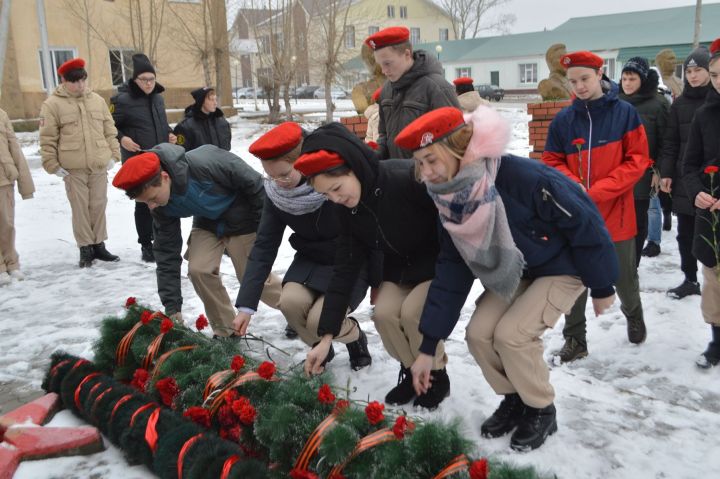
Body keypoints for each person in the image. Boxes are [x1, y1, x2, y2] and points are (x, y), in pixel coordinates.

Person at [394, 105, 617, 451]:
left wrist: (602, 286)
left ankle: (541, 408)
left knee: (512, 336)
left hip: (561, 266)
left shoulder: (522, 178)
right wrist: (426, 348)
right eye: (419, 164)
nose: (426, 173)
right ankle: (515, 398)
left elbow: (585, 221)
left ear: (458, 149)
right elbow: (452, 269)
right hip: (517, 271)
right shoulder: (450, 199)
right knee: (479, 335)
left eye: (432, 160)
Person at [294, 122, 450, 409]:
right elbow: (345, 268)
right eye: (327, 195)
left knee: (414, 313)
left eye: (337, 188)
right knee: (385, 316)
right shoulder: (347, 210)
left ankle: (435, 374)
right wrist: (326, 336)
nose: (336, 199)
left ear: (353, 167)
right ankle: (411, 370)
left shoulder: (404, 179)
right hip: (399, 270)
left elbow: (449, 225)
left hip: (438, 263)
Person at [232, 122, 371, 369]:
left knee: (321, 319)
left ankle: (355, 337)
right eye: (271, 176)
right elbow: (264, 245)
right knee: (290, 303)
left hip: (349, 260)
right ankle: (320, 349)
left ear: (303, 160)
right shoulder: (277, 195)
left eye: (285, 174)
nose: (279, 182)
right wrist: (246, 306)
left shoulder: (332, 181)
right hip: (311, 260)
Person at [542, 51, 650, 362]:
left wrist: (599, 191)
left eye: (585, 79)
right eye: (573, 81)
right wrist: (573, 187)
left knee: (623, 276)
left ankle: (634, 313)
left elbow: (637, 159)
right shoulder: (564, 119)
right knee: (574, 280)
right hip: (575, 216)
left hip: (615, 214)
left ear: (600, 74)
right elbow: (551, 160)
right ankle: (575, 338)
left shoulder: (625, 114)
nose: (579, 86)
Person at [111, 143, 282, 336]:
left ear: (165, 178)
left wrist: (265, 235)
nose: (151, 207)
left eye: (153, 198)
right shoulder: (159, 206)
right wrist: (172, 308)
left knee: (253, 277)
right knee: (199, 269)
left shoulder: (207, 163)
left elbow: (259, 188)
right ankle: (226, 330)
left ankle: (295, 311)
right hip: (207, 222)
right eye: (146, 203)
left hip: (244, 218)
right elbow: (166, 251)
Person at [39, 58, 121, 268]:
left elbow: (109, 129)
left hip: (99, 163)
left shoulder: (97, 100)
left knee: (98, 204)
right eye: (74, 82)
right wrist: (52, 165)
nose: (80, 85)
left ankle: (99, 244)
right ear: (64, 81)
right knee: (80, 207)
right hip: (72, 167)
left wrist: (113, 154)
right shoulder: (52, 105)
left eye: (82, 80)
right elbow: (47, 138)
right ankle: (85, 247)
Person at [111, 53, 176, 263]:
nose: (148, 84)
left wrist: (170, 133)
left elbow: (161, 123)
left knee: (162, 198)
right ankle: (146, 244)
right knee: (143, 202)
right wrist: (123, 139)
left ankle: (162, 240)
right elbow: (110, 126)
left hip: (159, 156)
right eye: (144, 80)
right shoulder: (122, 100)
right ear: (135, 80)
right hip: (137, 158)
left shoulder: (158, 98)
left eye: (151, 79)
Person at [659, 47, 713, 300]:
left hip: (712, 179)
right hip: (684, 178)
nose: (692, 76)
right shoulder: (679, 104)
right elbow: (670, 141)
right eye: (689, 71)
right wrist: (666, 172)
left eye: (698, 70)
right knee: (685, 234)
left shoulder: (714, 101)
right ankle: (690, 279)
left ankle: (714, 282)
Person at [681, 38, 720, 369]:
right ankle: (717, 342)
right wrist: (697, 191)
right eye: (716, 75)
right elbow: (689, 165)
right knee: (714, 281)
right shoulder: (704, 115)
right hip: (712, 215)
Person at [365, 26, 460, 159]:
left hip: (428, 176)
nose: (383, 71)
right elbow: (384, 135)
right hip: (396, 176)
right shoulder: (386, 90)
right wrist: (375, 155)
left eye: (387, 63)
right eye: (380, 65)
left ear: (407, 54)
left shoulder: (436, 88)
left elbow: (455, 142)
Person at [618, 57, 670, 263]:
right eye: (624, 79)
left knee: (639, 222)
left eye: (632, 78)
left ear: (643, 79)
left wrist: (659, 170)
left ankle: (633, 267)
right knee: (619, 222)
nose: (627, 83)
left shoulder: (658, 104)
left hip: (644, 174)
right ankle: (620, 264)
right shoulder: (616, 103)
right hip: (617, 173)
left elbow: (667, 142)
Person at [0, 107, 35, 285]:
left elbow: (14, 147)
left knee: (7, 224)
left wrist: (25, 184)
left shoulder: (2, 114)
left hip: (3, 177)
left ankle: (11, 263)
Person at [173, 87, 231, 152]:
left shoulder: (222, 123)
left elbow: (227, 148)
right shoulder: (185, 127)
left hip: (221, 162)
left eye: (215, 99)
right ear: (201, 101)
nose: (215, 103)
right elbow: (180, 153)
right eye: (211, 100)